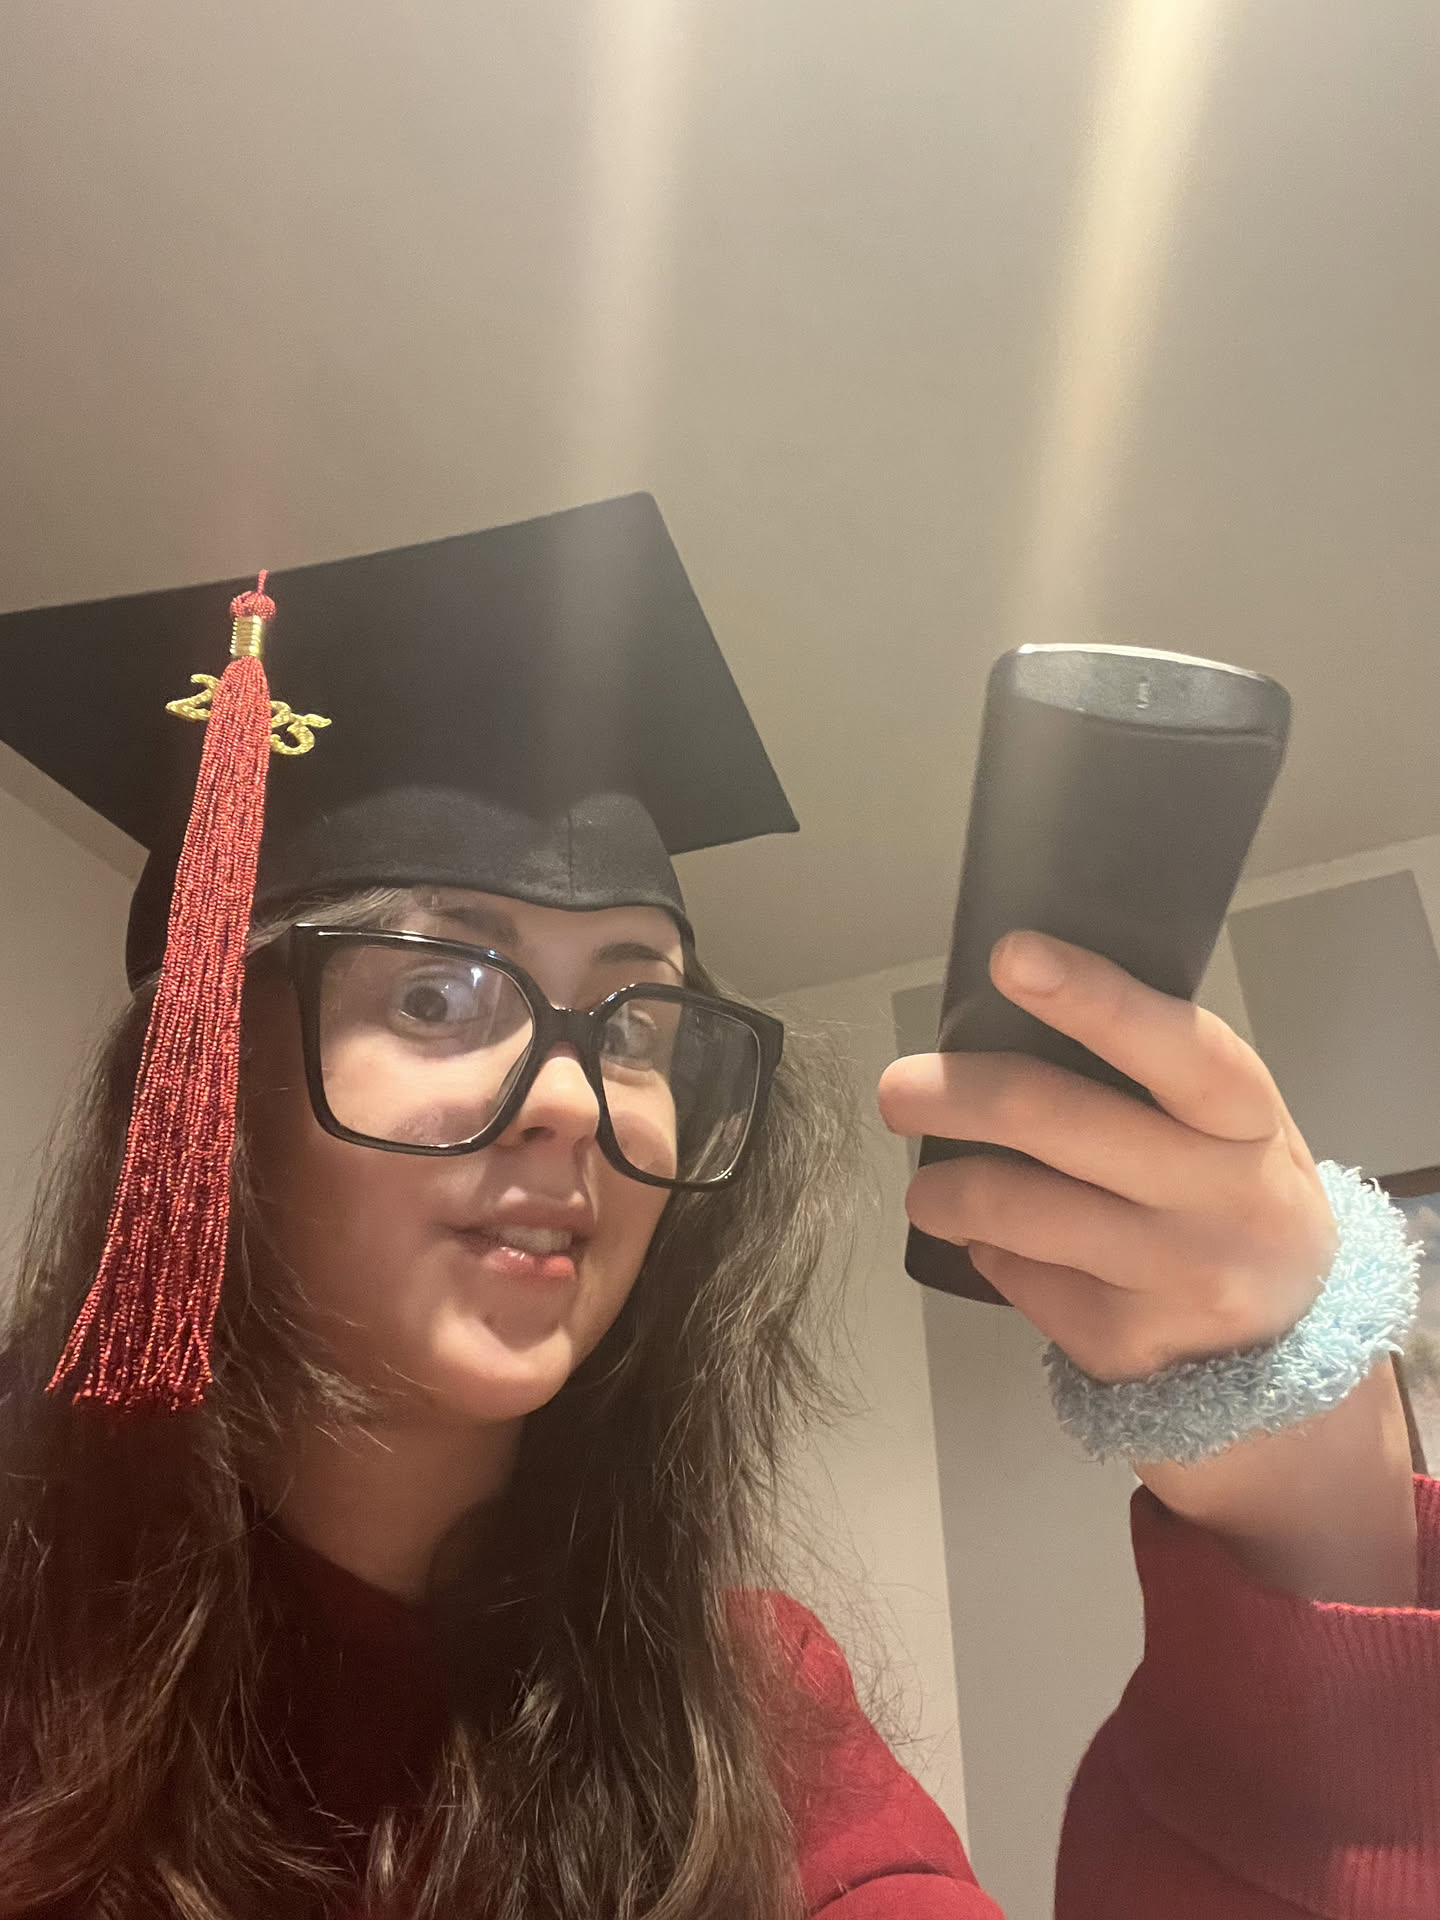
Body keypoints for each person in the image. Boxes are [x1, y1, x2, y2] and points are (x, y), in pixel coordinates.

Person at [0, 493, 1433, 1919]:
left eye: (636, 1020)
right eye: (438, 993)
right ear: (206, 1093)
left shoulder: (749, 1726)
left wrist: (1305, 1466)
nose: (579, 1100)